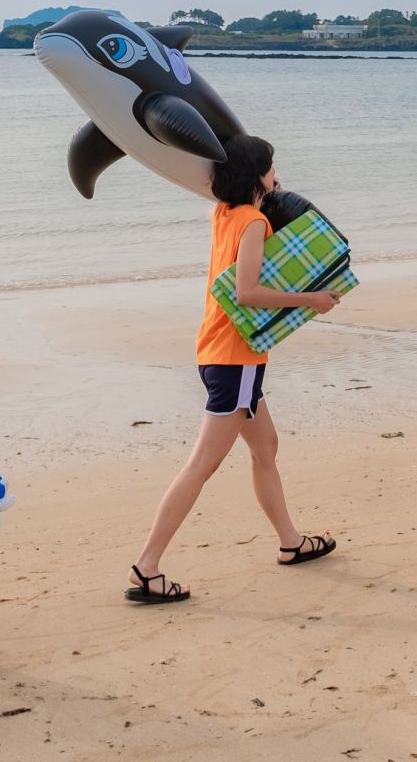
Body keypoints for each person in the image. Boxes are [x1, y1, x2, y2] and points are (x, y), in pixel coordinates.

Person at [126, 135, 340, 603]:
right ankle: (147, 567)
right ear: (257, 174)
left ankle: (291, 542)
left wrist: (264, 185)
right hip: (235, 357)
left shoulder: (222, 213)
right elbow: (246, 292)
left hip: (216, 351)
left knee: (266, 445)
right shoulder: (254, 222)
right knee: (201, 465)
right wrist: (313, 300)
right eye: (271, 166)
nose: (276, 173)